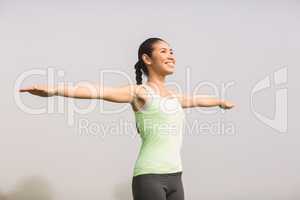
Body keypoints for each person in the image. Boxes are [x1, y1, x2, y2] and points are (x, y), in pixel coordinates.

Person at [20, 37, 234, 200]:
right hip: (149, 178)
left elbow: (197, 99)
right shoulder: (139, 93)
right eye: (163, 51)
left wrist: (219, 101)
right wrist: (53, 89)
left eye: (171, 51)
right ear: (147, 59)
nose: (171, 56)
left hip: (176, 177)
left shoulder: (175, 97)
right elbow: (96, 91)